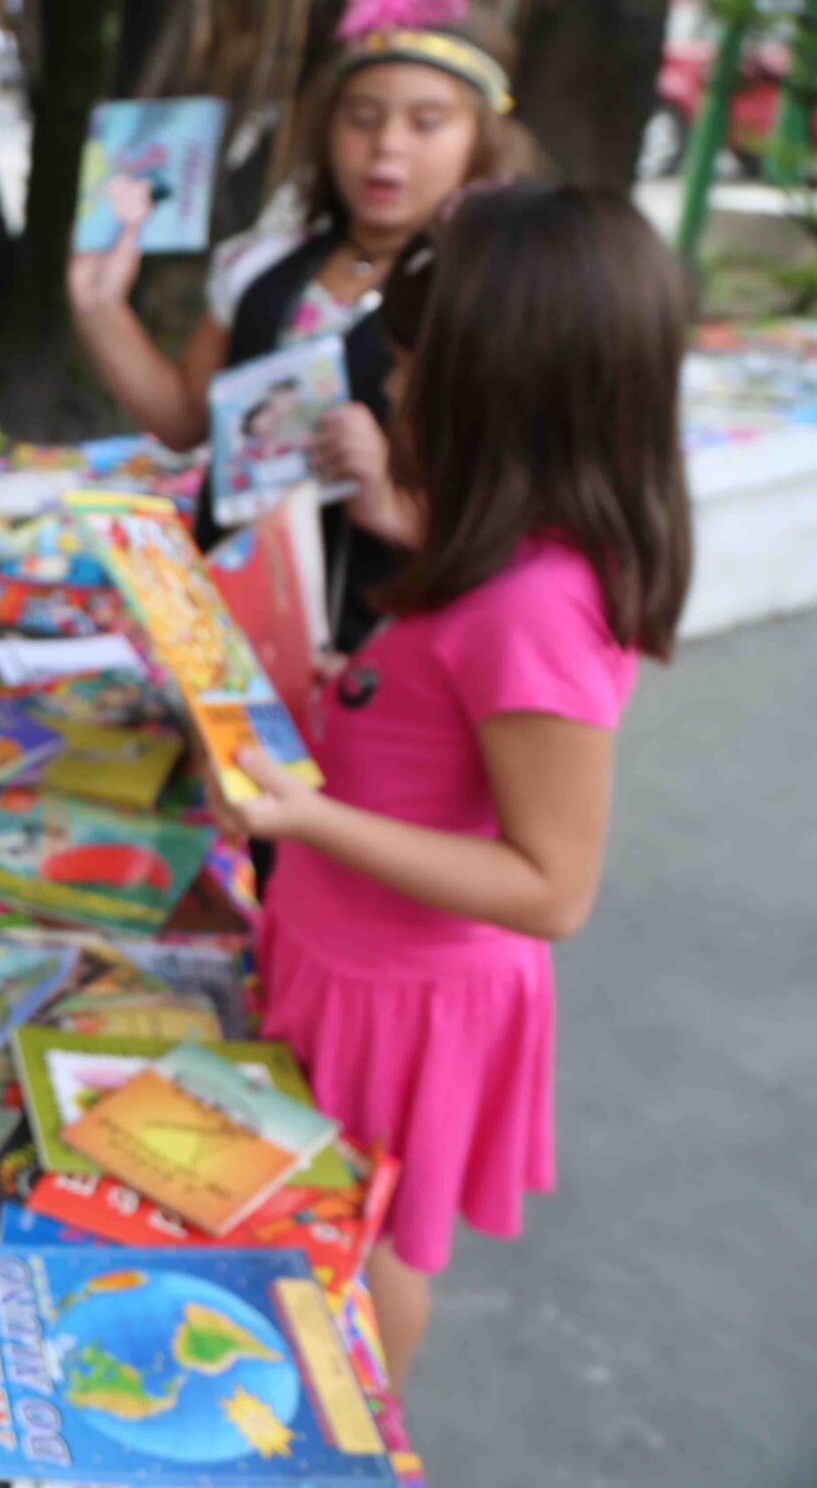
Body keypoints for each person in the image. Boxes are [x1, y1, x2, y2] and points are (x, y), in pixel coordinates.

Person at [211, 185, 693, 1396]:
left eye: (416, 368)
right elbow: (434, 716)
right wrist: (330, 694)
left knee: (362, 1247)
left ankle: (354, 1434)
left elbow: (551, 886)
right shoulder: (499, 545)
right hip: (346, 951)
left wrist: (308, 813)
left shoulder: (538, 602)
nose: (391, 390)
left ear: (507, 393)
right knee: (307, 1217)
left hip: (406, 997)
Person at [67, 0, 538, 653]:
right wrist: (102, 305)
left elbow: (518, 519)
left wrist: (390, 489)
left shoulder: (500, 298)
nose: (386, 145)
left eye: (426, 121)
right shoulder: (265, 265)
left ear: (482, 142)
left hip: (381, 654)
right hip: (227, 630)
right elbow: (184, 423)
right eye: (362, 117)